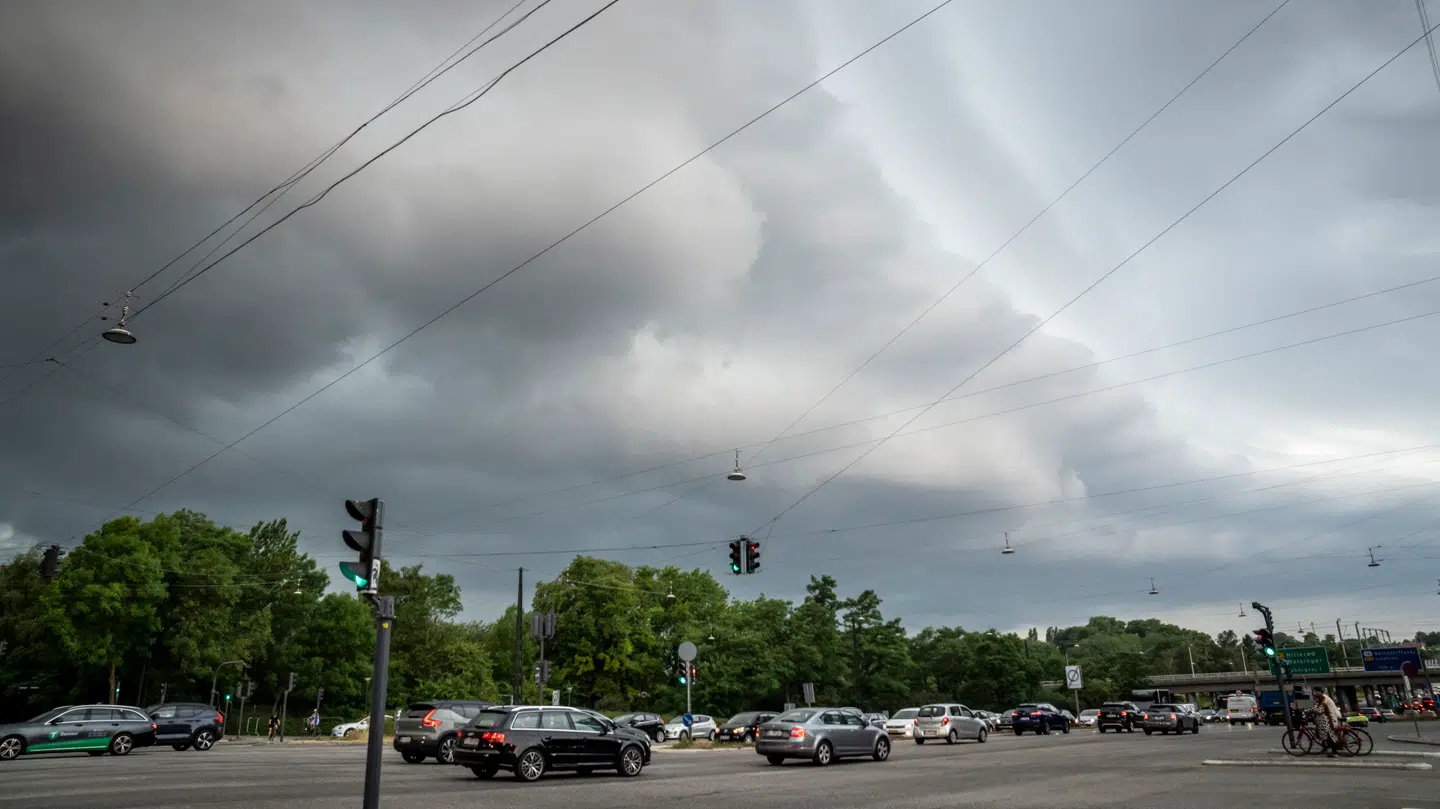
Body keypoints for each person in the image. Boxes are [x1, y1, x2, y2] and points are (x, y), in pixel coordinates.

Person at [1312, 687, 1341, 757]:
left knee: (1328, 737)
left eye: (1315, 692)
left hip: (1330, 719)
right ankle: (1329, 750)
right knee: (1326, 737)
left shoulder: (1323, 699)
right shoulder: (1322, 700)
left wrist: (1313, 708)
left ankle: (1332, 751)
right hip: (1327, 720)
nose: (1314, 693)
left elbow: (1319, 710)